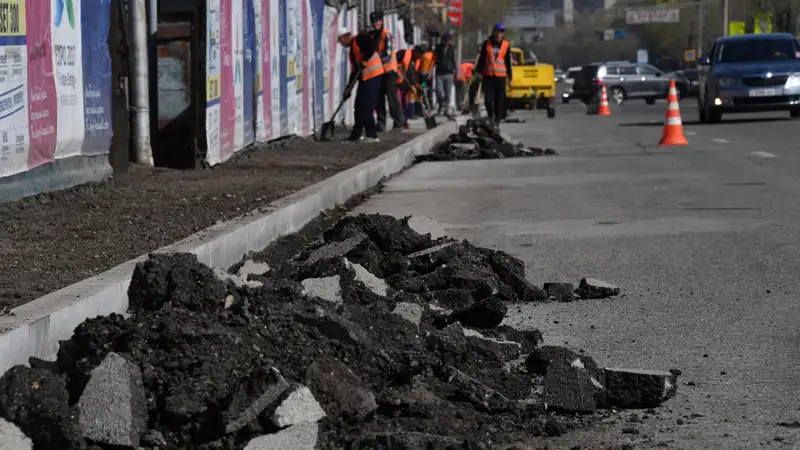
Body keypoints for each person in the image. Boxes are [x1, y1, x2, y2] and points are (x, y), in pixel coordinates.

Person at [337, 27, 383, 142]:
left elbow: (372, 47)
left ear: (344, 37)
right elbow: (354, 72)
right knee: (358, 107)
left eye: (340, 41)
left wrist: (364, 60)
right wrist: (349, 89)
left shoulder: (360, 38)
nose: (341, 44)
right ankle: (356, 135)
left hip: (373, 75)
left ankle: (372, 135)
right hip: (365, 78)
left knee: (366, 107)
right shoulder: (352, 51)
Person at [370, 11, 405, 131]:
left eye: (377, 21)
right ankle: (381, 123)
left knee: (392, 98)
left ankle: (398, 122)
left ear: (382, 21)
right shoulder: (373, 35)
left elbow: (388, 55)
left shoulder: (387, 35)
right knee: (378, 98)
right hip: (378, 71)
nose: (375, 24)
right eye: (374, 22)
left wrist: (376, 60)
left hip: (389, 71)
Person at [475, 23, 512, 127]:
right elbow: (482, 59)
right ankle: (490, 116)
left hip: (501, 76)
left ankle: (497, 120)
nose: (500, 34)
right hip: (488, 76)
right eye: (499, 31)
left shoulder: (506, 45)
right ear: (494, 32)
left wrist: (511, 79)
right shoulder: (486, 44)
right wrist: (479, 72)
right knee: (488, 99)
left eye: (502, 32)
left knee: (499, 100)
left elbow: (508, 62)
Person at [434, 33, 457, 116]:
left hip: (449, 73)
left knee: (448, 92)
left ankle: (446, 109)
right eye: (446, 40)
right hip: (439, 73)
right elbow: (435, 57)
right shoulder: (438, 47)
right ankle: (441, 105)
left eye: (449, 40)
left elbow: (454, 60)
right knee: (438, 91)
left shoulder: (452, 49)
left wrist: (455, 71)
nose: (448, 42)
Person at [395, 48, 417, 128]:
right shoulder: (404, 54)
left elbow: (412, 74)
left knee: (405, 103)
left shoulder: (413, 61)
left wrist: (413, 85)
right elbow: (395, 63)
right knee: (399, 102)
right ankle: (399, 121)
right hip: (398, 82)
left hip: (406, 84)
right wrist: (398, 69)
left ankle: (405, 120)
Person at [418, 45, 436, 112]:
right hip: (428, 76)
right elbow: (431, 66)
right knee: (429, 91)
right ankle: (429, 106)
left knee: (423, 89)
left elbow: (419, 65)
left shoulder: (424, 55)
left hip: (423, 76)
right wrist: (430, 74)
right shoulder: (432, 56)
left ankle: (426, 107)